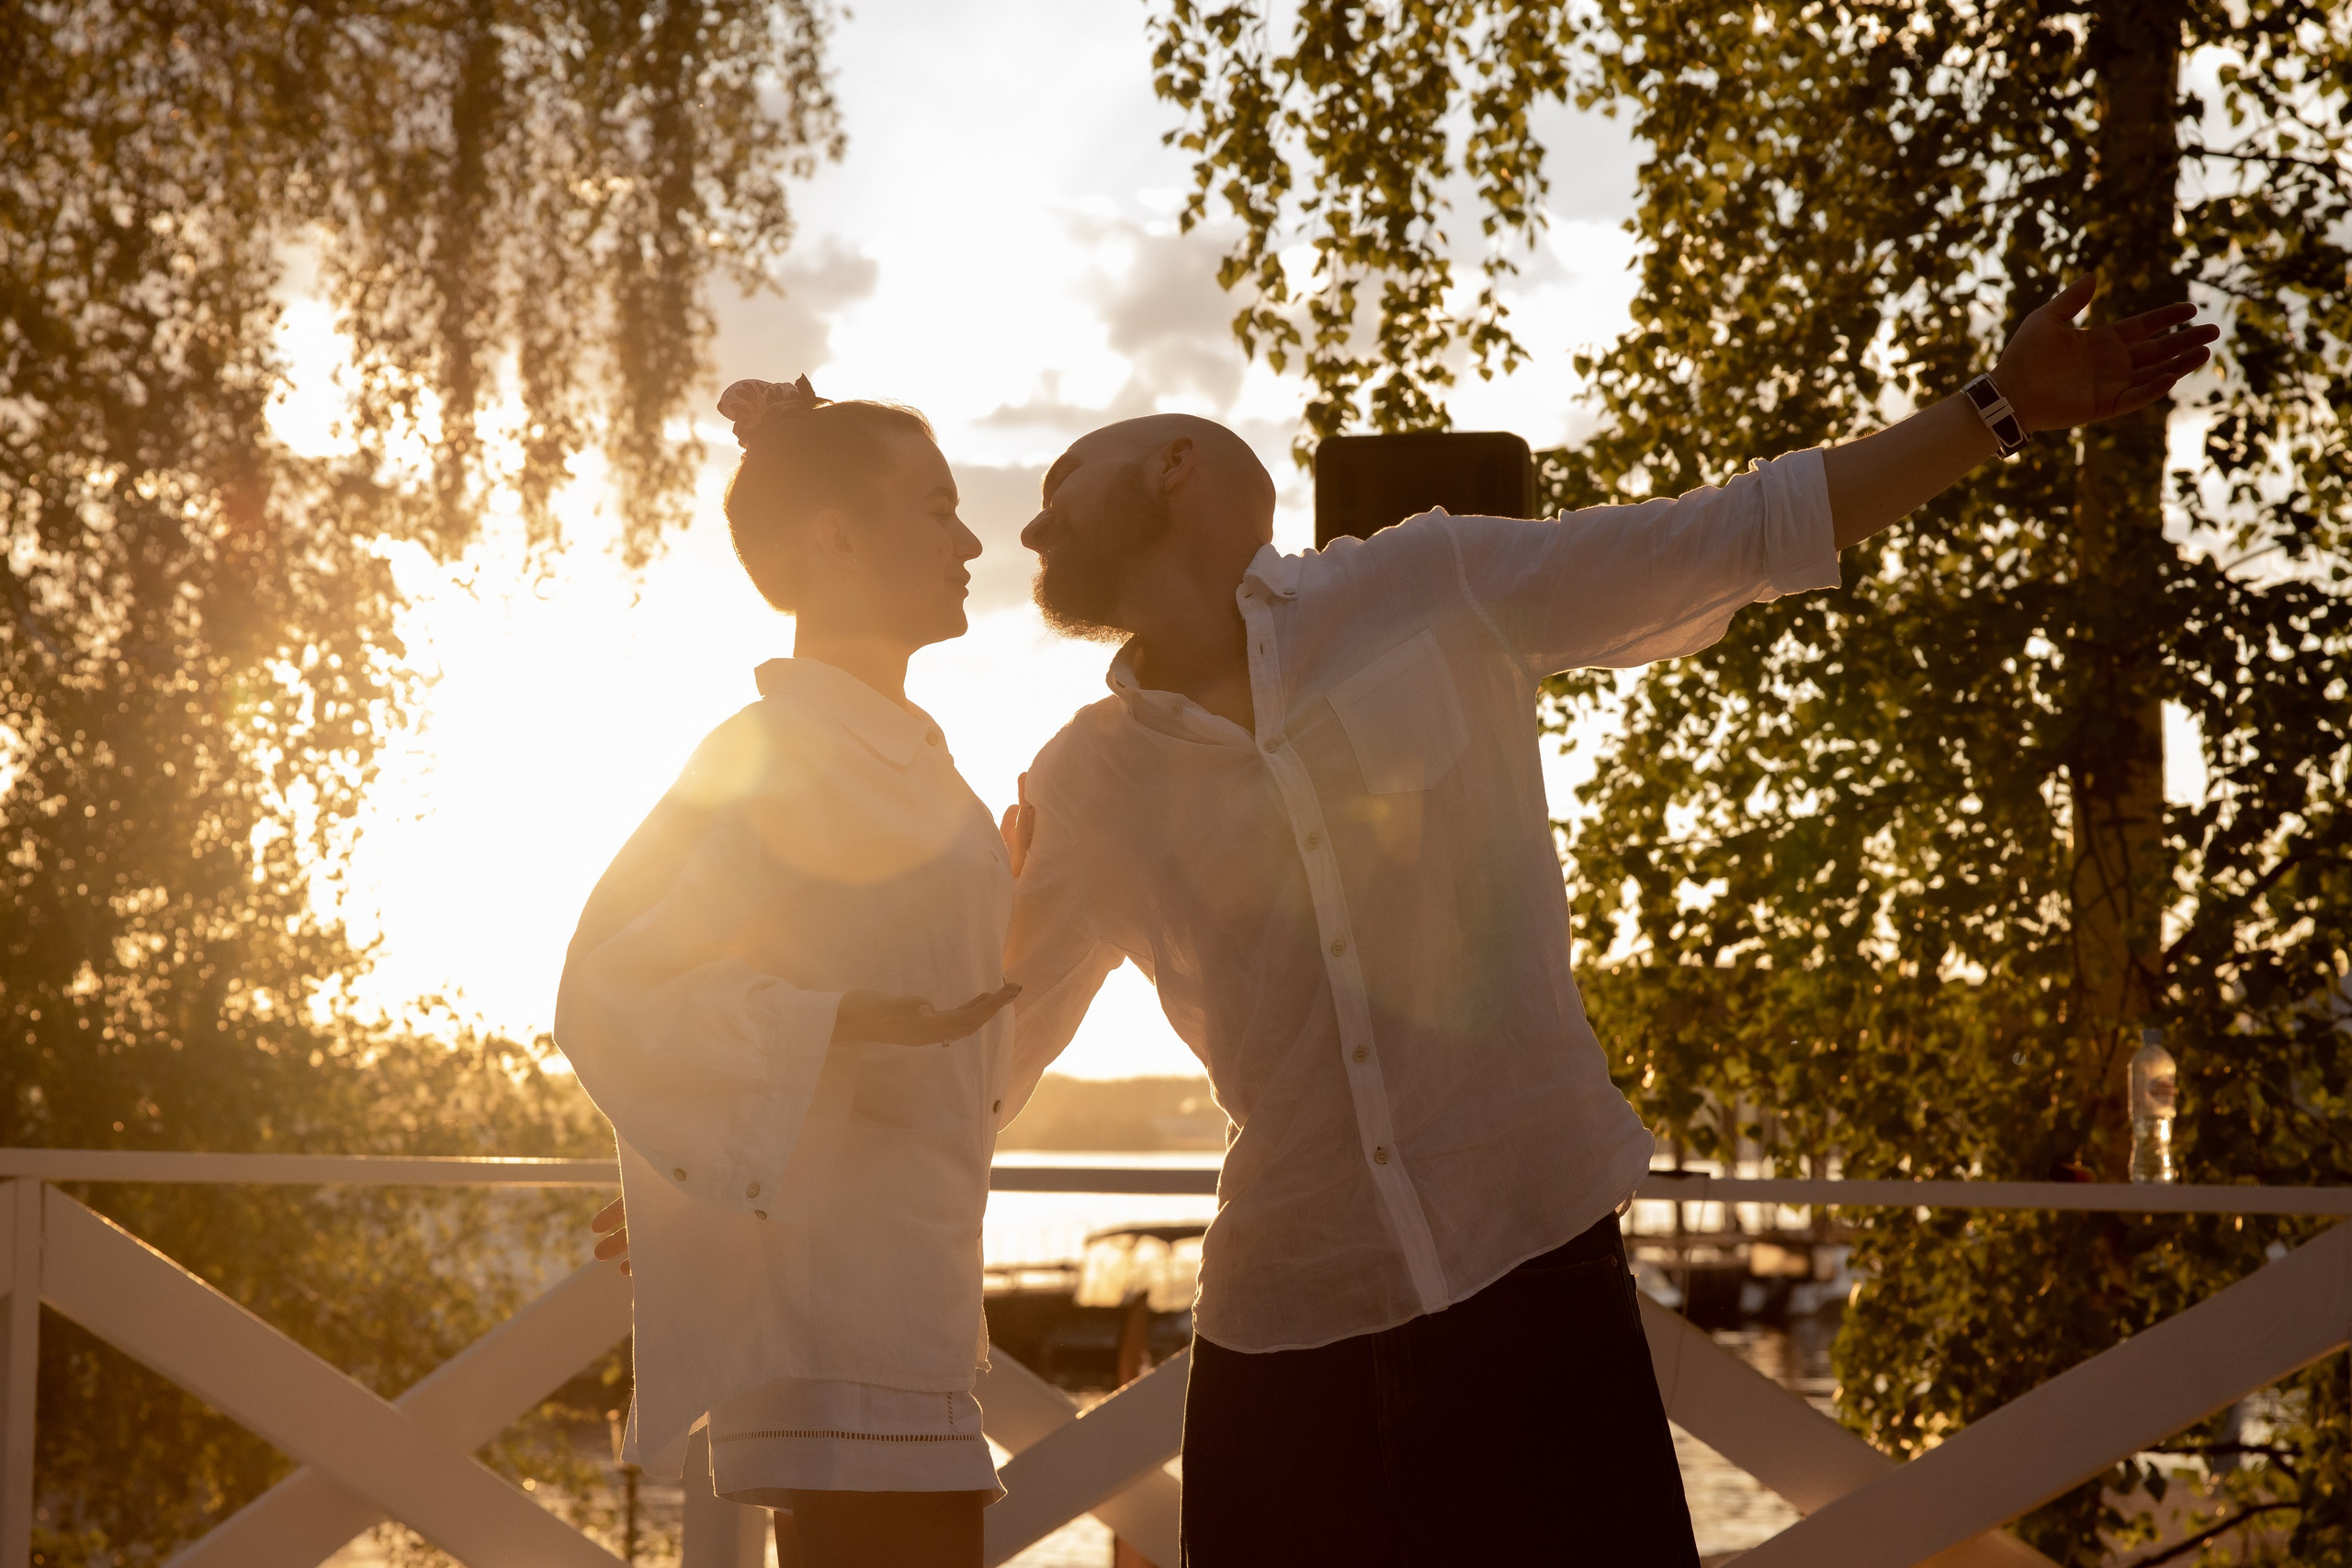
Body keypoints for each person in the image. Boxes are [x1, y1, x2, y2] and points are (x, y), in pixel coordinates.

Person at [998, 276, 2217, 1563]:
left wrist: (1996, 409)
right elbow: (981, 1055)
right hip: (1283, 1335)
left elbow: (1734, 534)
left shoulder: (1430, 581)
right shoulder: (1080, 785)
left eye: (1060, 486)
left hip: (1533, 1283)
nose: (1029, 526)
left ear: (1174, 467)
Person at [555, 375, 1028, 1568]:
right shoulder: (769, 753)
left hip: (914, 1299)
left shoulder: (919, 768)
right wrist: (831, 1030)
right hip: (831, 1316)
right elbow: (609, 984)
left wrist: (720, 1160)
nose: (971, 543)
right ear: (836, 539)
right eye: (937, 509)